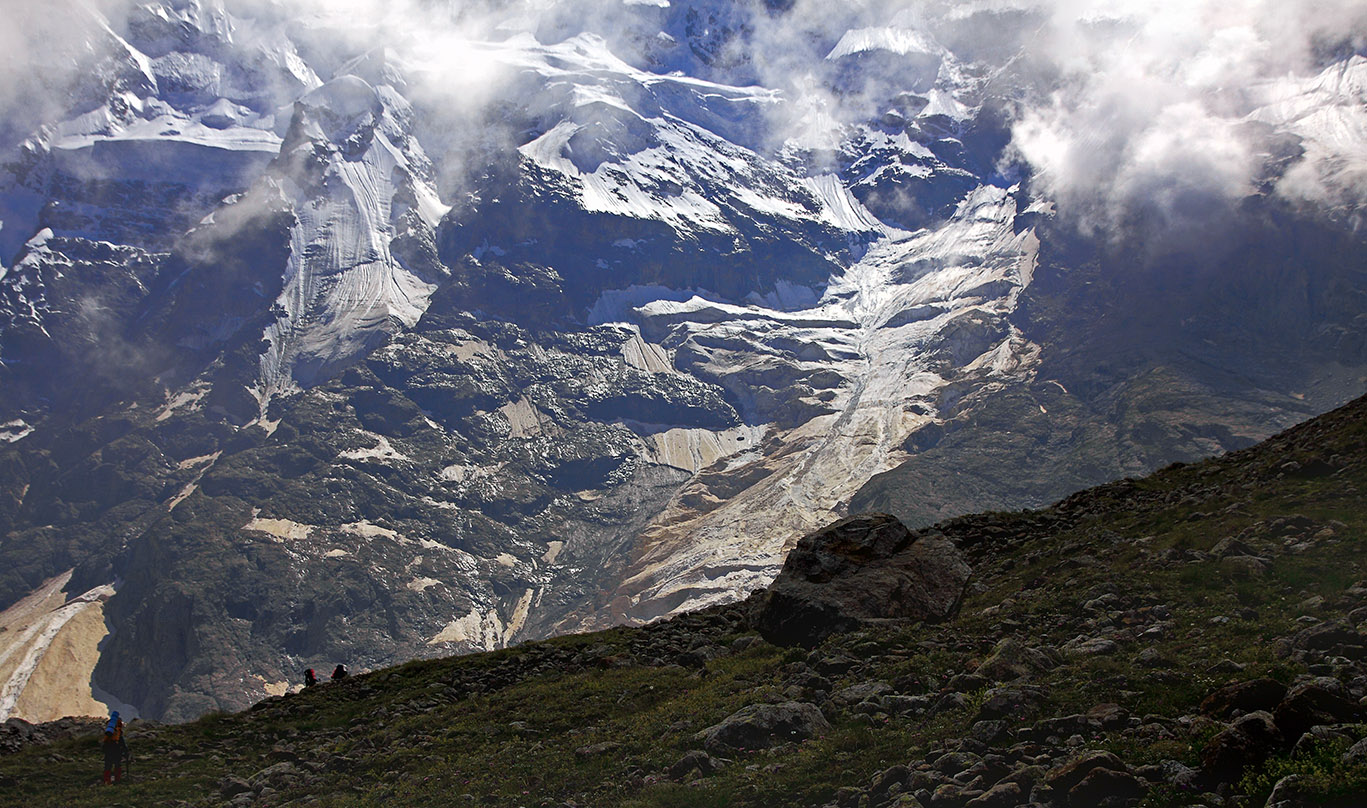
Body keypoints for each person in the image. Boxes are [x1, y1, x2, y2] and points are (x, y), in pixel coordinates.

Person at [101, 711, 129, 785]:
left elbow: (104, 742)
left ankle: (107, 780)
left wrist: (104, 750)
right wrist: (125, 750)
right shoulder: (118, 731)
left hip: (109, 749)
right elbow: (122, 741)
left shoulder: (110, 731)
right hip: (117, 750)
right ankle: (117, 779)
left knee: (108, 765)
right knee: (117, 765)